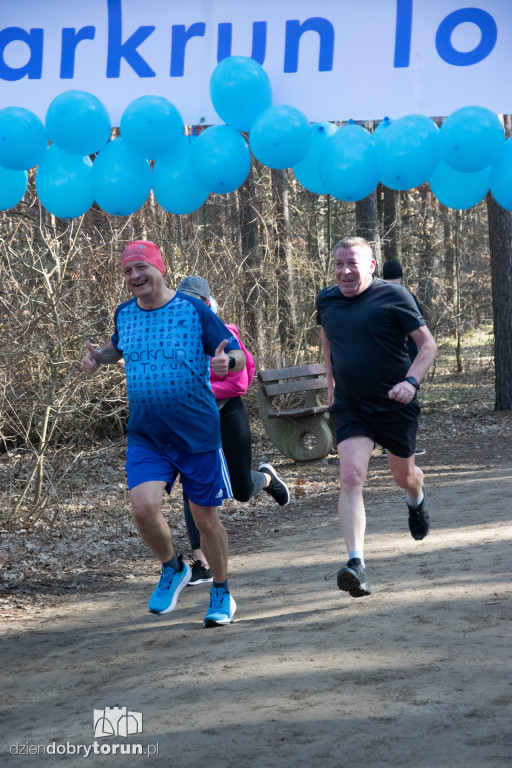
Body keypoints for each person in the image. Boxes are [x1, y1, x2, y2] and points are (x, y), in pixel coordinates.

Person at [81, 240, 246, 628]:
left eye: (142, 268)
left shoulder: (192, 310)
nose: (135, 276)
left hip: (196, 434)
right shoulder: (125, 315)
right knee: (142, 508)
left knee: (205, 520)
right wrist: (96, 358)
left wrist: (226, 361)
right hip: (147, 435)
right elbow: (116, 349)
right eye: (127, 271)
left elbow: (236, 352)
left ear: (161, 268)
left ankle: (221, 591)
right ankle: (172, 567)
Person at [316, 236, 438, 598]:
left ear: (370, 265)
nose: (345, 271)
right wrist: (331, 381)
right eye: (339, 264)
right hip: (352, 405)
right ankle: (356, 563)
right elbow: (328, 339)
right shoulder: (326, 300)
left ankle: (416, 496)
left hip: (394, 404)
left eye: (352, 263)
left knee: (404, 477)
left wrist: (411, 382)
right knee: (351, 476)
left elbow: (427, 345)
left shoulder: (394, 297)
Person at [175, 276, 290, 586]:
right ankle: (201, 562)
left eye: (194, 303)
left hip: (228, 416)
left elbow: (238, 382)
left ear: (208, 304)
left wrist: (201, 389)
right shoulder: (173, 338)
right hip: (194, 424)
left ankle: (265, 477)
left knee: (240, 490)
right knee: (193, 488)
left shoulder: (225, 336)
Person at [381, 259, 426, 457]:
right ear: (401, 275)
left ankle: (386, 446)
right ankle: (406, 445)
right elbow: (420, 329)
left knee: (386, 395)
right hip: (406, 352)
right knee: (408, 396)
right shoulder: (407, 297)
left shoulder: (375, 295)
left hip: (382, 352)